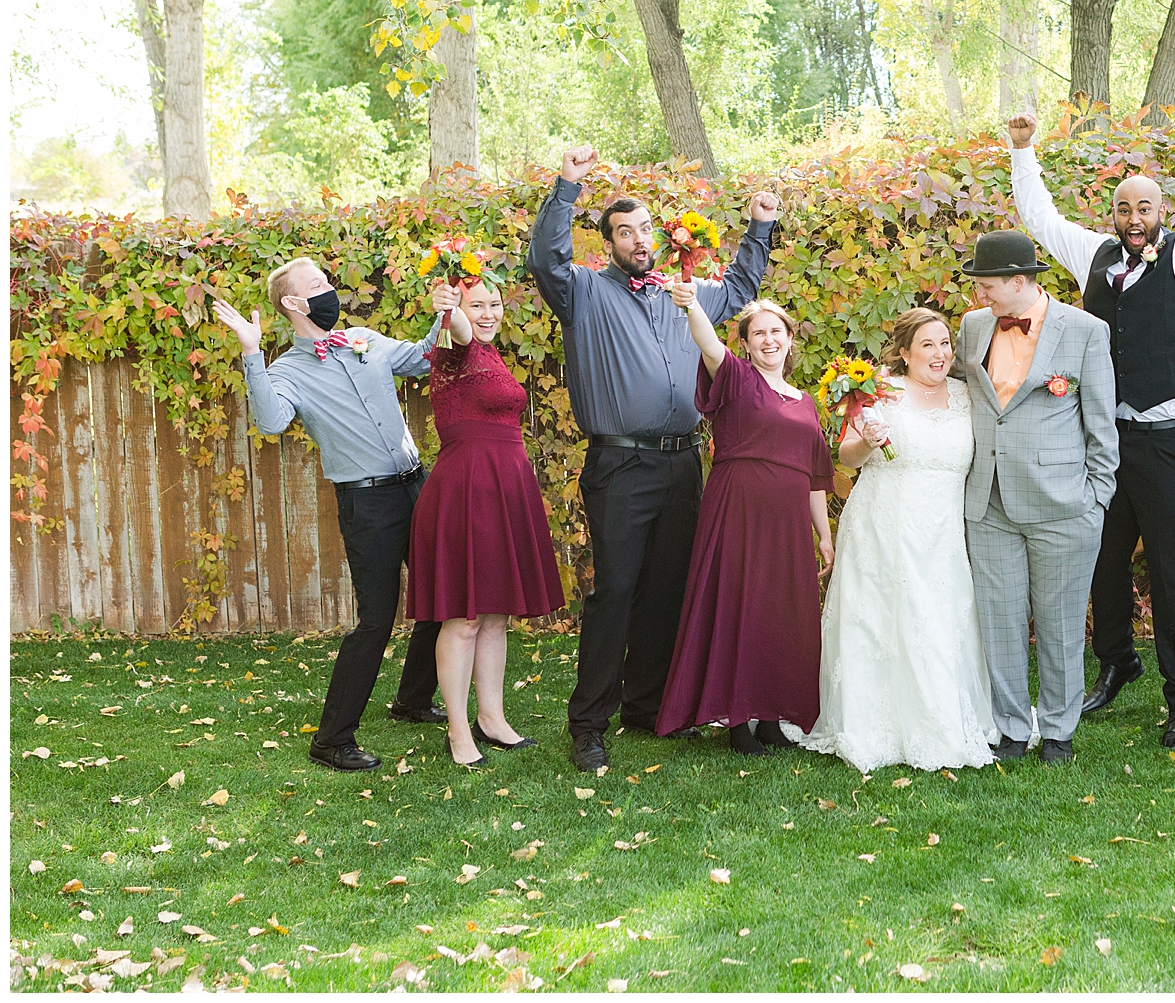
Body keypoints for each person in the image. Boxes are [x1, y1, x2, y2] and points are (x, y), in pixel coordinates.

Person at [1006, 75, 1175, 749]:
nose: (1132, 217)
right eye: (1123, 207)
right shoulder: (1092, 256)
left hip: (1171, 444)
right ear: (1113, 212)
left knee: (1171, 573)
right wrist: (1022, 150)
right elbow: (1040, 219)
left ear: (1160, 209)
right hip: (1105, 442)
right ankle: (1117, 662)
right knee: (1100, 559)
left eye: (1144, 206)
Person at [527, 143, 780, 773]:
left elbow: (744, 287)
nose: (637, 239)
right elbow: (545, 257)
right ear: (608, 242)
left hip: (682, 463)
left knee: (667, 588)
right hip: (620, 466)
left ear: (657, 236)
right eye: (624, 232)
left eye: (644, 228)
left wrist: (760, 227)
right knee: (615, 591)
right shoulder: (583, 292)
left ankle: (647, 707)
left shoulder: (684, 292)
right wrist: (566, 186)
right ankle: (588, 724)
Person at [212, 263, 450, 772]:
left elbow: (423, 360)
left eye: (327, 283)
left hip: (416, 485)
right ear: (293, 304)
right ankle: (332, 739)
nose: (329, 292)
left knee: (441, 595)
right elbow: (272, 421)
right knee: (376, 619)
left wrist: (443, 316)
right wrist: (252, 353)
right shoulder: (287, 372)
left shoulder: (362, 339)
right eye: (316, 287)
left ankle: (412, 700)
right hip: (368, 504)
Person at [802, 308, 996, 772]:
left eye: (946, 343)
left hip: (943, 529)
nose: (940, 353)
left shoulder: (968, 397)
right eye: (927, 345)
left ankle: (942, 717)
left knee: (938, 617)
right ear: (904, 352)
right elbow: (847, 458)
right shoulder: (880, 392)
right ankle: (873, 723)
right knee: (879, 622)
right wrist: (867, 440)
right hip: (883, 524)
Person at [955, 231, 1118, 764]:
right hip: (989, 502)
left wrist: (1096, 499)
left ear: (1019, 282)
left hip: (1064, 506)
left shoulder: (1087, 331)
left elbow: (1101, 425)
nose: (979, 295)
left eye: (986, 285)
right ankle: (1008, 728)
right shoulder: (973, 326)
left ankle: (1057, 731)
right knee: (998, 619)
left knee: (1061, 621)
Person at [654, 289, 835, 756]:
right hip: (739, 509)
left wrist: (825, 535)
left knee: (781, 612)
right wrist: (691, 303)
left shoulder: (806, 402)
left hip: (789, 522)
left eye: (777, 331)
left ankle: (772, 718)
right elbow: (707, 344)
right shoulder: (735, 377)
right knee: (740, 604)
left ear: (791, 339)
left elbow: (816, 475)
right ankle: (737, 720)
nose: (769, 340)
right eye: (759, 333)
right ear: (747, 344)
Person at [405, 274, 567, 767]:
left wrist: (465, 308)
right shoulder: (459, 350)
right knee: (465, 617)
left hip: (506, 489)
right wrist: (452, 308)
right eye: (479, 305)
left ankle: (492, 719)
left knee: (495, 614)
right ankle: (458, 730)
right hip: (467, 491)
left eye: (495, 304)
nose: (490, 314)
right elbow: (455, 326)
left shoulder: (493, 355)